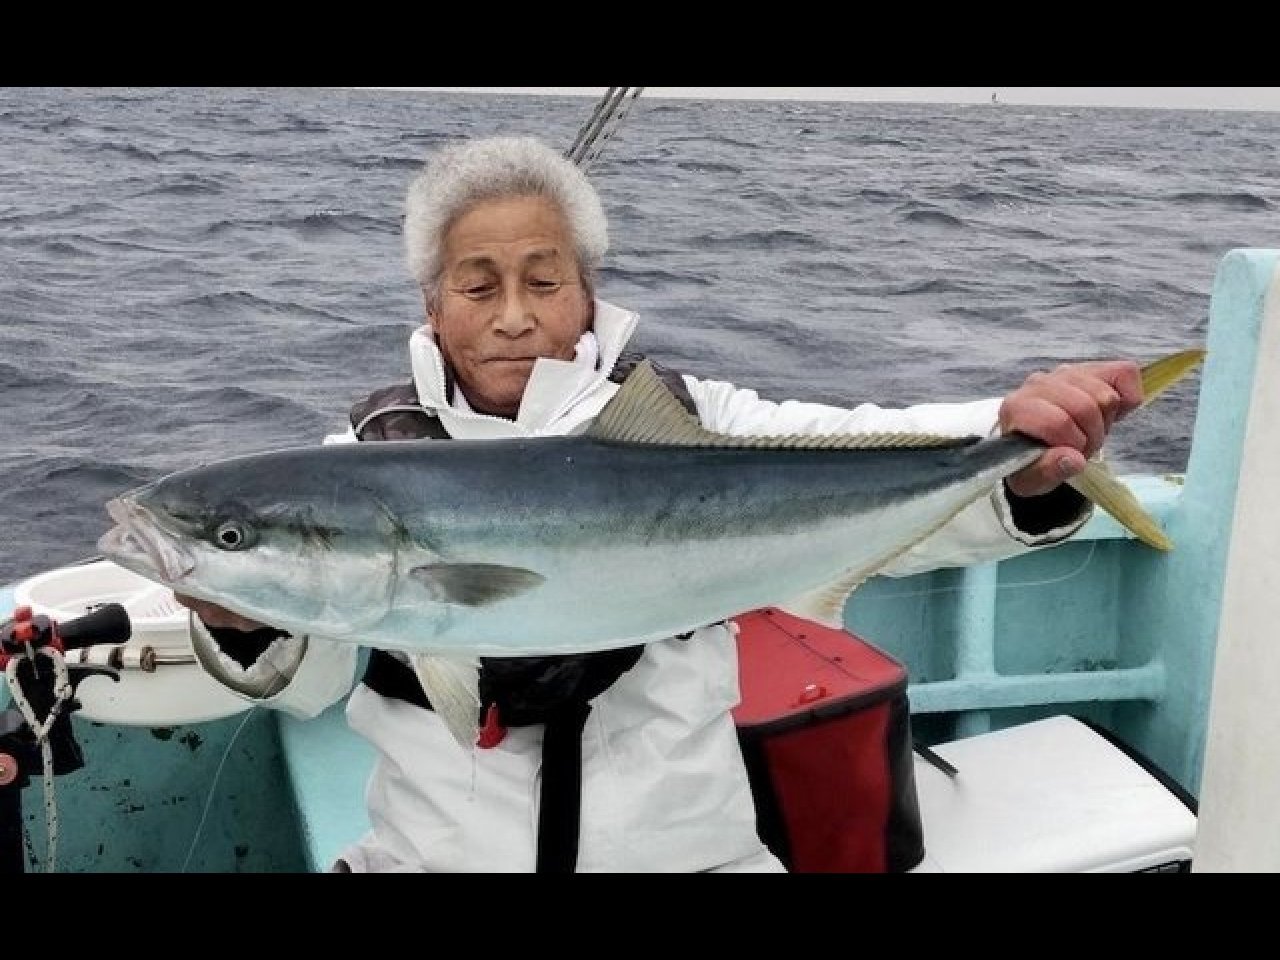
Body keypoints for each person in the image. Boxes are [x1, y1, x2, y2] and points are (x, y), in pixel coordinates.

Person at [175, 135, 1143, 873]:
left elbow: (858, 443)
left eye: (543, 281)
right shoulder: (350, 475)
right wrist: (238, 615)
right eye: (476, 285)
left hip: (687, 855)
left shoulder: (694, 425)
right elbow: (301, 684)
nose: (513, 314)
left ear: (588, 297)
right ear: (432, 307)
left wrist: (1011, 439)